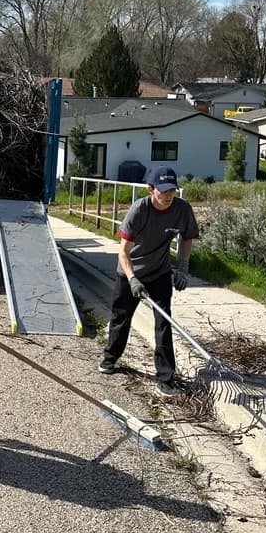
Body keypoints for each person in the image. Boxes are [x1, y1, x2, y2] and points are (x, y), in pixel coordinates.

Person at [98, 165, 199, 399]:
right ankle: (110, 358)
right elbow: (123, 252)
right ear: (150, 189)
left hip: (160, 273)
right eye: (163, 191)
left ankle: (165, 377)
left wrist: (183, 269)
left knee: (163, 323)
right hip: (129, 272)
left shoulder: (182, 209)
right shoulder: (139, 211)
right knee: (121, 318)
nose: (168, 196)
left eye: (172, 190)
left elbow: (186, 239)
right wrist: (133, 280)